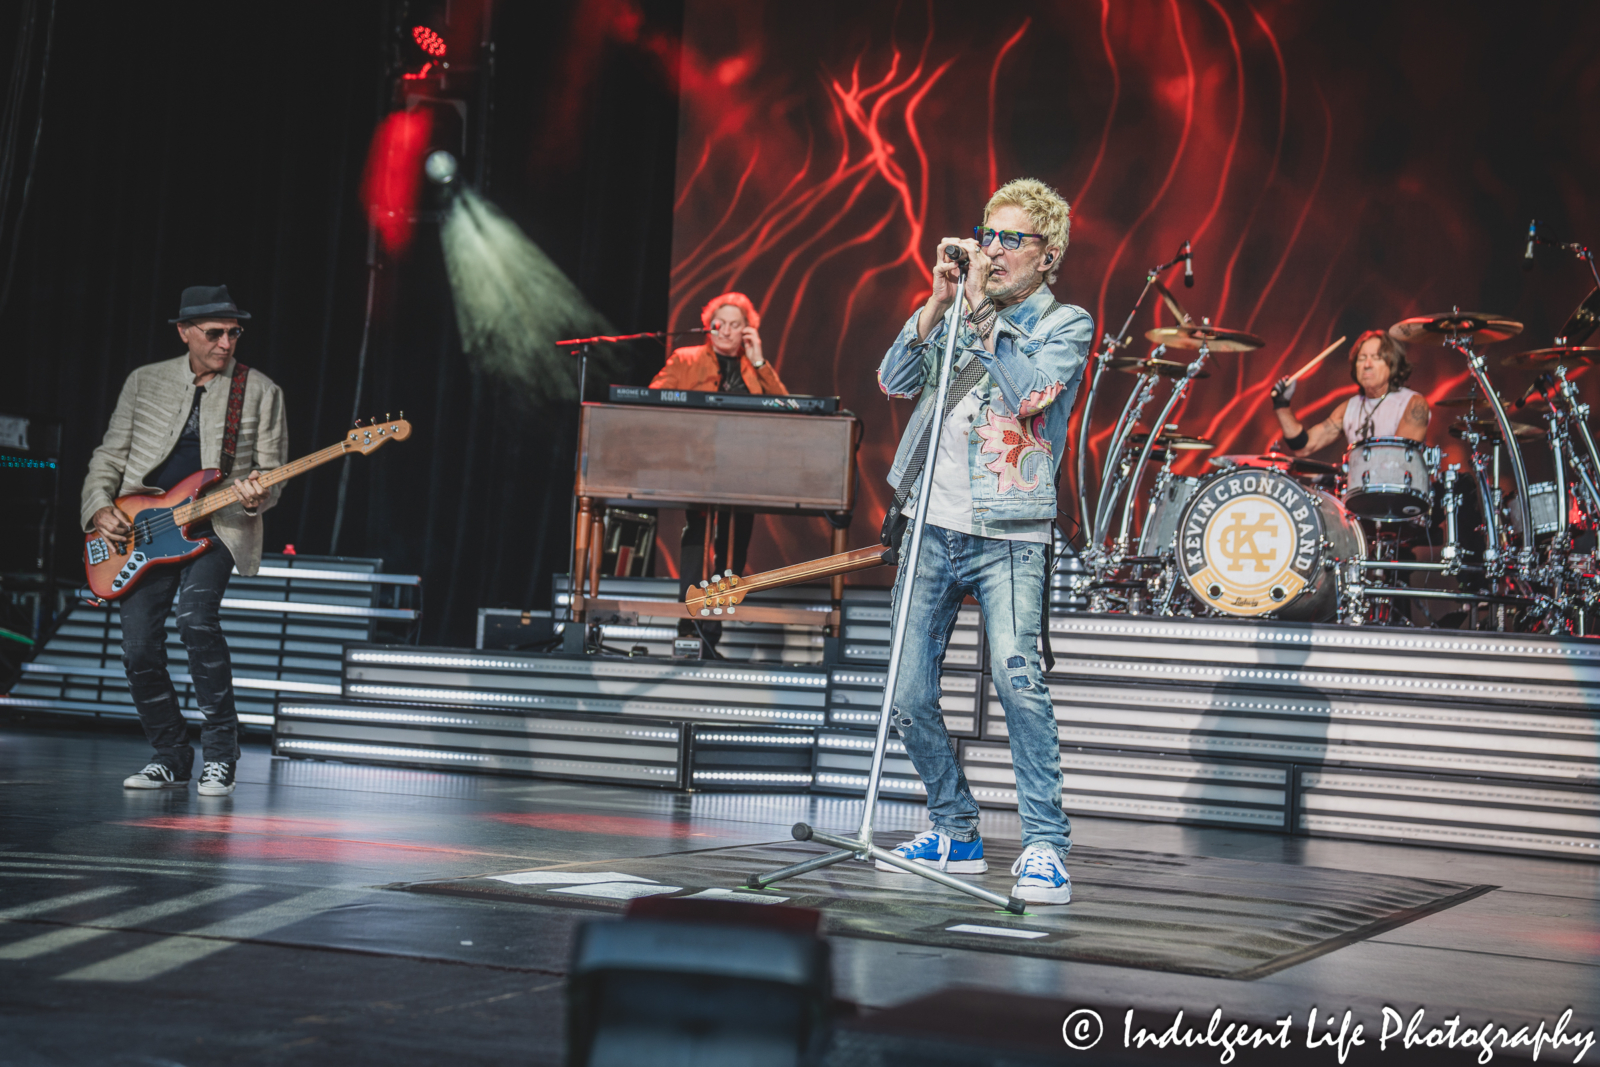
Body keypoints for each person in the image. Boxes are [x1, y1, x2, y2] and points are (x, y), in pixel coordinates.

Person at [875, 178, 1092, 905]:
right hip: (934, 525)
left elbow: (1030, 395)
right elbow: (894, 378)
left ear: (1046, 253)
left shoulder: (1065, 323)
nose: (991, 251)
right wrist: (938, 300)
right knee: (906, 694)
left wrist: (976, 313)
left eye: (1009, 240)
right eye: (986, 235)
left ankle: (1045, 844)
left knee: (1017, 680)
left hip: (1010, 532)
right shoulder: (958, 308)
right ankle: (955, 827)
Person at [82, 285, 287, 796]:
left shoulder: (260, 390)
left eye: (233, 332)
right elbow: (109, 455)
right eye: (214, 333)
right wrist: (99, 507)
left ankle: (220, 756)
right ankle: (170, 755)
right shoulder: (144, 382)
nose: (225, 343)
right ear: (184, 332)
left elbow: (274, 474)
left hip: (214, 527)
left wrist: (255, 496)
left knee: (196, 620)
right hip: (140, 529)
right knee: (138, 650)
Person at [650, 292, 788, 651]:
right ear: (709, 324)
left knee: (734, 546)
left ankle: (712, 627)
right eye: (719, 322)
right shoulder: (686, 358)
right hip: (697, 465)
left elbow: (787, 408)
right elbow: (651, 401)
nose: (725, 330)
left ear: (747, 331)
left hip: (745, 471)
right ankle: (689, 623)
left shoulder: (753, 366)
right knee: (697, 533)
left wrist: (759, 362)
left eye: (735, 324)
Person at [1271, 330, 1429, 453]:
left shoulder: (1413, 404)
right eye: (1361, 358)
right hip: (1359, 492)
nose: (1367, 364)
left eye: (1376, 357)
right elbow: (1304, 447)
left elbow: (1399, 460)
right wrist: (1282, 405)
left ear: (1392, 364)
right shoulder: (1349, 408)